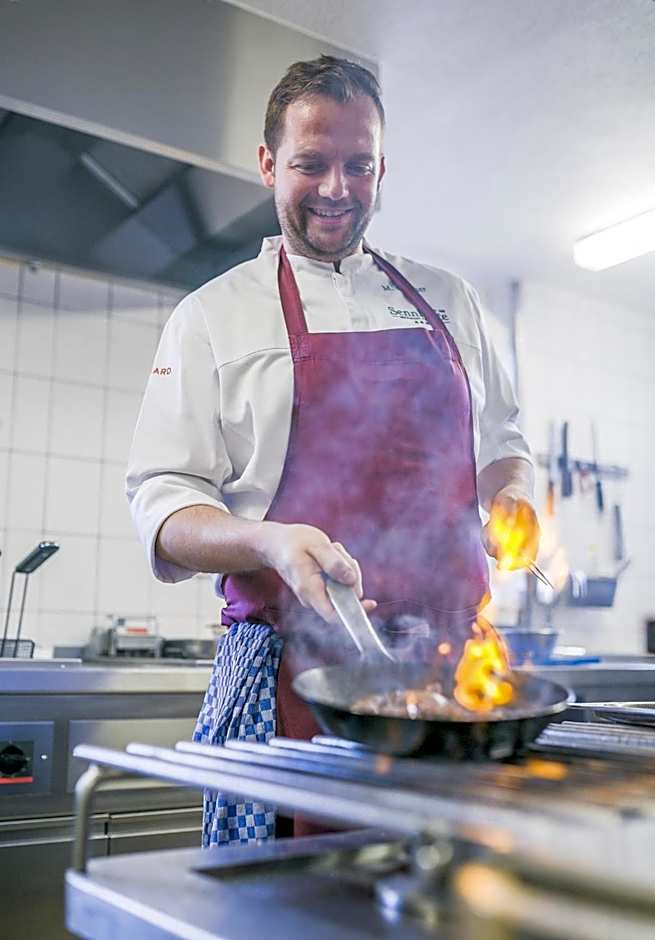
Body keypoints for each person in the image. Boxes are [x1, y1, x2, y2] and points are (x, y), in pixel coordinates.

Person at [127, 55, 539, 847]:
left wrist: (511, 494)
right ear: (266, 164)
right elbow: (164, 504)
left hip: (456, 678)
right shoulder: (212, 315)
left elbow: (502, 443)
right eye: (309, 164)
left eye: (358, 165)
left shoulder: (449, 299)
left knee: (459, 893)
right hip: (297, 680)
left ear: (382, 167)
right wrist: (266, 542)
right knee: (298, 902)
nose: (336, 188)